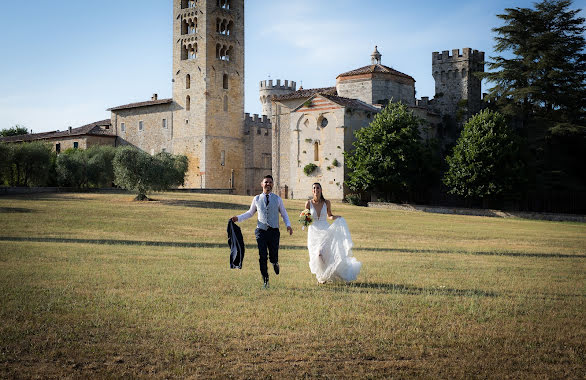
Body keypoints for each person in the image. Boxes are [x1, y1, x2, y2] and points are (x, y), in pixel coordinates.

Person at [232, 175, 293, 288]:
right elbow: (250, 213)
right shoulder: (256, 199)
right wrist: (238, 218)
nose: (268, 184)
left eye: (270, 182)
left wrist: (288, 225)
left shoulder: (277, 199)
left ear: (273, 185)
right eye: (266, 182)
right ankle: (265, 280)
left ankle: (275, 262)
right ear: (262, 184)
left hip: (274, 231)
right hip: (261, 231)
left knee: (273, 255)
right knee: (262, 256)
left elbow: (284, 214)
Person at [304, 183, 361, 284]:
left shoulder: (327, 202)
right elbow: (306, 217)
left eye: (317, 188)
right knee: (316, 255)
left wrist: (337, 218)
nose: (316, 190)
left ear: (321, 190)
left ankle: (331, 273)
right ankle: (321, 276)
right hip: (313, 232)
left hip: (325, 230)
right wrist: (304, 221)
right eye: (314, 188)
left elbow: (329, 216)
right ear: (312, 190)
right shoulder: (308, 203)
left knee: (323, 253)